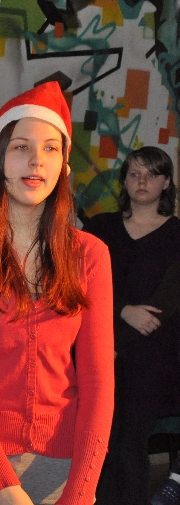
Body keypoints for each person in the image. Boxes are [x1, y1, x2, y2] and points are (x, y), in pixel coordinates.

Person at [0, 81, 115, 505]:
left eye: (51, 148)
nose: (36, 160)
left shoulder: (90, 254)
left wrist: (81, 492)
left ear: (64, 165)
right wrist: (3, 484)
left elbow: (99, 380)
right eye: (20, 147)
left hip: (63, 471)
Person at [83, 146, 180, 505]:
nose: (143, 181)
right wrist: (122, 310)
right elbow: (80, 285)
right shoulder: (98, 229)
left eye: (152, 174)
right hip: (99, 353)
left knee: (130, 448)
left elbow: (161, 309)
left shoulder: (177, 234)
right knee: (100, 447)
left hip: (152, 360)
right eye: (135, 174)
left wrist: (118, 340)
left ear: (166, 183)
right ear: (124, 180)